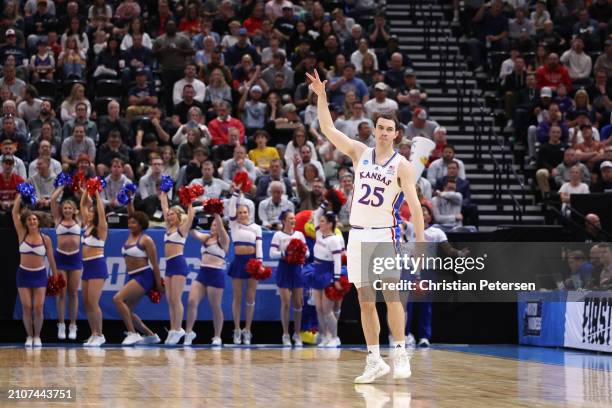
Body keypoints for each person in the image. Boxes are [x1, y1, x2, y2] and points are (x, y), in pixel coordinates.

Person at [307, 69, 423, 382]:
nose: (384, 133)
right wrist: (321, 96)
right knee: (364, 300)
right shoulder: (360, 153)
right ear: (374, 130)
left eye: (389, 129)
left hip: (384, 234)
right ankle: (374, 360)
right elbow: (328, 128)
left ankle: (399, 352)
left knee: (392, 296)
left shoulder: (403, 166)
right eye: (380, 128)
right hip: (356, 235)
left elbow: (414, 205)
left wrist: (421, 243)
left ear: (397, 134)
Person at [113, 199, 163, 345]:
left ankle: (132, 333)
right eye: (129, 222)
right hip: (133, 276)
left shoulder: (146, 240)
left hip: (144, 276)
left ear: (141, 224)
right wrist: (129, 199)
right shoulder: (130, 235)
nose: (130, 225)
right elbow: (132, 213)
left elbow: (155, 264)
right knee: (127, 309)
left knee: (117, 299)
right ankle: (151, 335)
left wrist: (159, 285)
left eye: (134, 223)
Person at [12, 194, 58, 347]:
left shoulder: (46, 239)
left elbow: (51, 259)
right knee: (26, 307)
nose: (32, 221)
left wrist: (56, 275)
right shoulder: (22, 234)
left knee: (38, 307)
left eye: (34, 219)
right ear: (26, 222)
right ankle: (29, 336)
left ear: (38, 222)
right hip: (23, 274)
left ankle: (37, 336)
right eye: (29, 219)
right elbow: (14, 213)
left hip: (39, 275)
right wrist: (20, 195)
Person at [186, 213, 229, 346]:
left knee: (215, 306)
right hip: (202, 273)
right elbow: (193, 233)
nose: (213, 227)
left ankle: (217, 336)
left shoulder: (224, 240)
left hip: (216, 275)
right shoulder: (206, 237)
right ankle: (188, 333)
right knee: (192, 301)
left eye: (216, 225)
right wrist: (191, 219)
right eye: (212, 225)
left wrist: (216, 213)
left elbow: (221, 228)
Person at [227, 187, 262, 345]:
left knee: (250, 297)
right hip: (239, 261)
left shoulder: (256, 228)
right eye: (239, 212)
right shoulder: (234, 225)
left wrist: (259, 264)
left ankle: (248, 330)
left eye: (244, 212)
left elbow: (259, 247)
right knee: (237, 296)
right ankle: (236, 329)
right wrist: (235, 194)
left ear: (249, 213)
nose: (242, 215)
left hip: (252, 262)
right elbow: (230, 209)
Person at [160, 191, 195, 345]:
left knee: (176, 298)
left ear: (179, 216)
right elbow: (163, 205)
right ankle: (173, 329)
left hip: (179, 264)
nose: (169, 216)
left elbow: (191, 216)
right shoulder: (168, 228)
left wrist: (189, 201)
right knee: (170, 300)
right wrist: (163, 192)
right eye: (169, 215)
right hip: (169, 266)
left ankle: (178, 328)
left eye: (173, 214)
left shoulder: (182, 229)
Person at [270, 210, 308, 346]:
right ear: (284, 220)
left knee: (298, 303)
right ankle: (285, 334)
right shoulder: (278, 235)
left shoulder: (300, 235)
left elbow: (307, 252)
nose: (293, 220)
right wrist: (286, 253)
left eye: (294, 218)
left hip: (297, 269)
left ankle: (297, 334)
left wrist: (300, 253)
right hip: (284, 268)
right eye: (290, 218)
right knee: (285, 304)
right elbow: (271, 253)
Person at [50, 185, 83, 341]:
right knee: (62, 293)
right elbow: (52, 200)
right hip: (61, 258)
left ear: (75, 210)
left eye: (70, 208)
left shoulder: (79, 220)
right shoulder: (58, 220)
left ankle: (73, 325)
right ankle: (61, 324)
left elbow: (88, 201)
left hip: (75, 258)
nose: (67, 210)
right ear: (62, 210)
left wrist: (82, 189)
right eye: (65, 208)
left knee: (74, 293)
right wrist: (62, 186)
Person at [310, 204, 344, 348]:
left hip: (327, 273)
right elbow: (315, 215)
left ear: (330, 224)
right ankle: (324, 336)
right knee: (318, 308)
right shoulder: (319, 233)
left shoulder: (335, 240)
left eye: (323, 221)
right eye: (321, 221)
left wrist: (335, 279)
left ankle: (335, 337)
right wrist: (323, 204)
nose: (319, 222)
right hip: (316, 271)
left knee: (327, 310)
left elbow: (337, 261)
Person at [79, 189, 108, 347]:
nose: (88, 213)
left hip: (97, 265)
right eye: (88, 212)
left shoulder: (101, 228)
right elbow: (82, 204)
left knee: (93, 302)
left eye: (92, 212)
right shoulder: (86, 226)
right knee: (86, 303)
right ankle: (93, 333)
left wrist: (97, 194)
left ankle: (100, 334)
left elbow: (102, 213)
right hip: (87, 267)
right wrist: (87, 190)